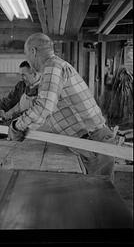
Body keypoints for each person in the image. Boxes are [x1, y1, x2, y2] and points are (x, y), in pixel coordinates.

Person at [8, 33, 117, 180]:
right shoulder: (57, 66)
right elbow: (51, 111)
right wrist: (29, 126)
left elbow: (44, 107)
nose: (28, 59)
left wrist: (17, 126)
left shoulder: (52, 67)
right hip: (88, 141)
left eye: (26, 54)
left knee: (98, 199)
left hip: (94, 144)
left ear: (33, 51)